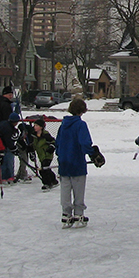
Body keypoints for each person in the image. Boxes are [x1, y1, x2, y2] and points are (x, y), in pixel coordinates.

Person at [56, 98, 105, 228]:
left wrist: (60, 155)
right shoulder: (80, 125)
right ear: (82, 110)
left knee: (65, 189)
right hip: (76, 162)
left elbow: (58, 143)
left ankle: (66, 214)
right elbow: (84, 143)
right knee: (78, 189)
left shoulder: (63, 125)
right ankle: (78, 214)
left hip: (64, 162)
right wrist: (93, 153)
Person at [30, 117, 59, 190]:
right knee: (46, 169)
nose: (35, 127)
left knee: (44, 169)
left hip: (47, 155)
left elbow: (53, 142)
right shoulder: (34, 135)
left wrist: (51, 148)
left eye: (37, 125)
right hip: (41, 155)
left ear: (41, 127)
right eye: (34, 125)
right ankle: (54, 181)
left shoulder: (46, 135)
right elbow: (33, 145)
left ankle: (47, 183)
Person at [0, 112, 21, 183]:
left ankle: (2, 176)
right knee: (6, 160)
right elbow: (8, 140)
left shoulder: (5, 124)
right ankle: (2, 176)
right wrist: (13, 148)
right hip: (1, 146)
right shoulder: (7, 128)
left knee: (2, 160)